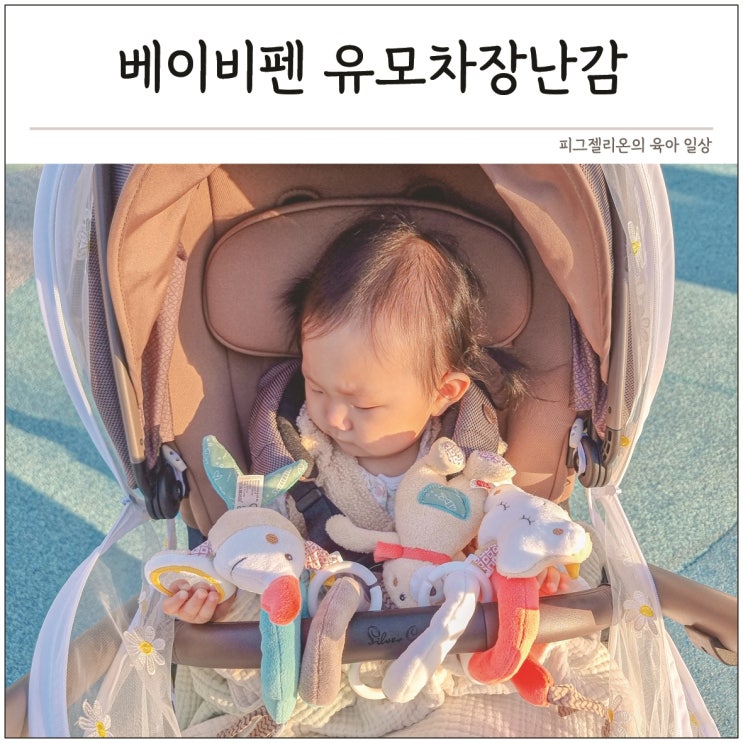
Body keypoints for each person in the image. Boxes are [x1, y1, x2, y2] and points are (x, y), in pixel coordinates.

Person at [163, 212, 572, 623]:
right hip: (328, 624)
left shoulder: (472, 465)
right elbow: (265, 562)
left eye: (364, 406)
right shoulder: (294, 463)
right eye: (316, 387)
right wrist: (224, 601)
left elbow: (507, 536)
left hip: (449, 623)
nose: (334, 417)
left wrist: (534, 567)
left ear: (442, 393)